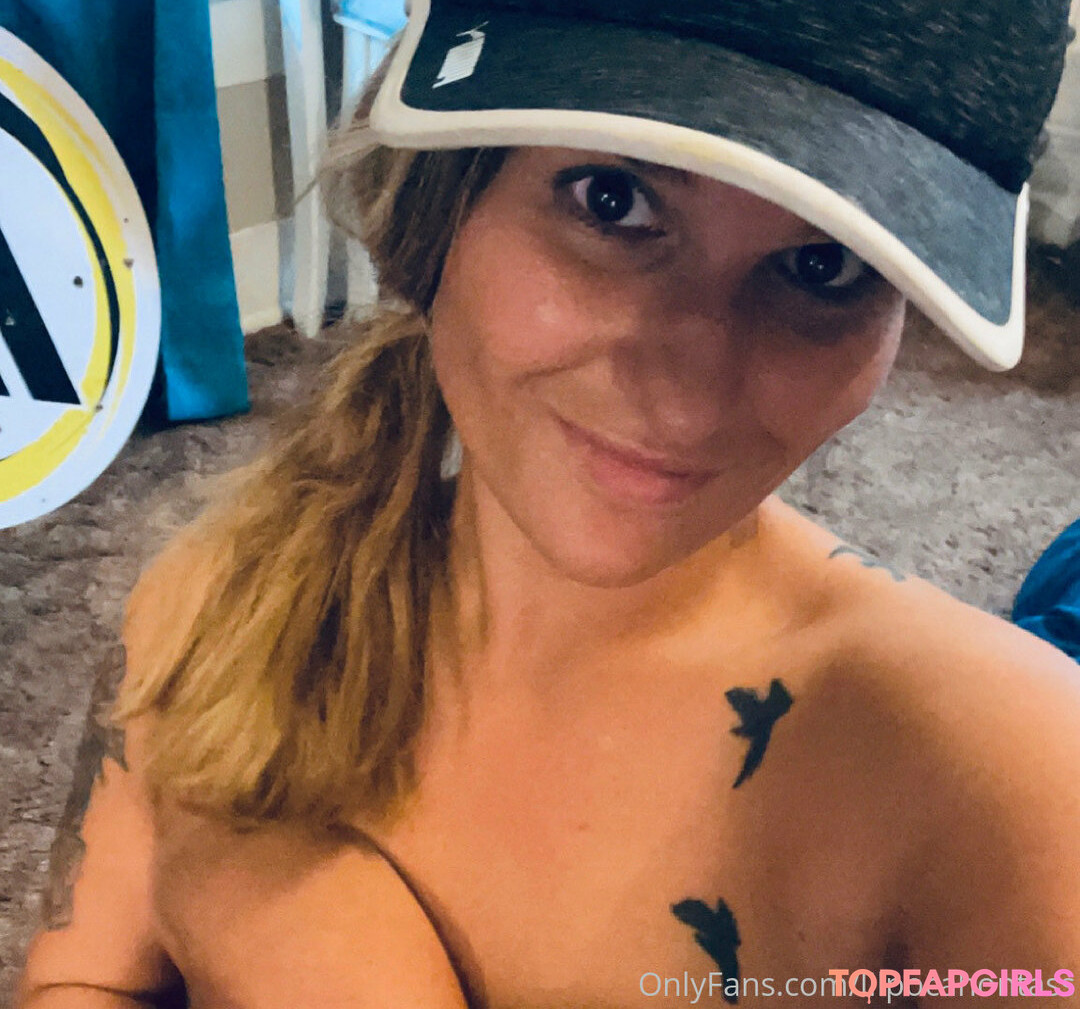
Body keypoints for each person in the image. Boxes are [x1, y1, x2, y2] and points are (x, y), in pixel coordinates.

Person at [16, 1, 1080, 1006]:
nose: (686, 398)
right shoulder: (213, 601)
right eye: (612, 201)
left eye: (823, 264)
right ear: (435, 205)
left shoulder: (1013, 787)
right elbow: (86, 978)